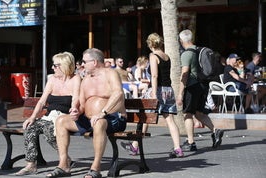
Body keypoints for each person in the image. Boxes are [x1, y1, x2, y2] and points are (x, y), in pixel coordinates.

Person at [46, 48, 127, 178]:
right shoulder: (86, 79)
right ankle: (63, 165)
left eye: (84, 61)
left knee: (99, 123)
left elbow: (118, 93)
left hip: (112, 118)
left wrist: (102, 112)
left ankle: (96, 167)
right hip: (90, 119)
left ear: (94, 62)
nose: (82, 64)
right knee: (61, 121)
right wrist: (76, 111)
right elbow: (82, 104)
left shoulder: (110, 73)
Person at [14, 52, 81, 176]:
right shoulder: (52, 80)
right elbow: (42, 101)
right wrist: (32, 117)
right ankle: (31, 164)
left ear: (65, 66)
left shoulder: (75, 79)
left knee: (48, 129)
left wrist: (73, 109)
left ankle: (64, 159)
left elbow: (76, 98)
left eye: (55, 65)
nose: (52, 68)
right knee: (31, 127)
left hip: (65, 118)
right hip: (50, 117)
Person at [122, 33, 183, 158]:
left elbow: (154, 75)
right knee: (170, 120)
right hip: (169, 90)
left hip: (158, 89)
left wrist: (154, 93)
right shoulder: (166, 56)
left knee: (144, 117)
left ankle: (135, 146)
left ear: (150, 44)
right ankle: (178, 148)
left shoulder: (153, 56)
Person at [177, 29, 224, 151]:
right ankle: (215, 131)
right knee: (198, 113)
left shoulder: (187, 54)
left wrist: (180, 93)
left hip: (192, 87)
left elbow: (185, 73)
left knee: (187, 114)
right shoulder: (199, 50)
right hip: (203, 85)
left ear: (181, 41)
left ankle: (191, 142)